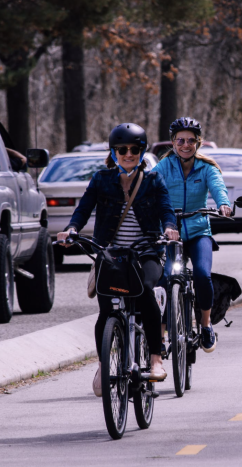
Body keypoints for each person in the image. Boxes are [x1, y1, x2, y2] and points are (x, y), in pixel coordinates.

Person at [57, 123, 179, 395]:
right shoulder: (101, 180)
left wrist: (170, 227)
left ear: (141, 151)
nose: (128, 154)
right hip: (110, 254)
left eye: (134, 150)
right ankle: (103, 363)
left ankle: (155, 360)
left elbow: (166, 209)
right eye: (122, 150)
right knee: (107, 312)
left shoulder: (152, 180)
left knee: (146, 291)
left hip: (145, 251)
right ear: (113, 152)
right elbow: (83, 209)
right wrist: (72, 230)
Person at [155, 117, 231, 353]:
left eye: (190, 140)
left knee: (201, 274)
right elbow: (148, 186)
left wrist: (223, 204)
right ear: (173, 142)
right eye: (180, 140)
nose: (185, 145)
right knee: (166, 277)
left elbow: (219, 188)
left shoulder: (207, 167)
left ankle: (205, 325)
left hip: (199, 232)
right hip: (171, 233)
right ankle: (160, 333)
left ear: (198, 142)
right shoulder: (164, 167)